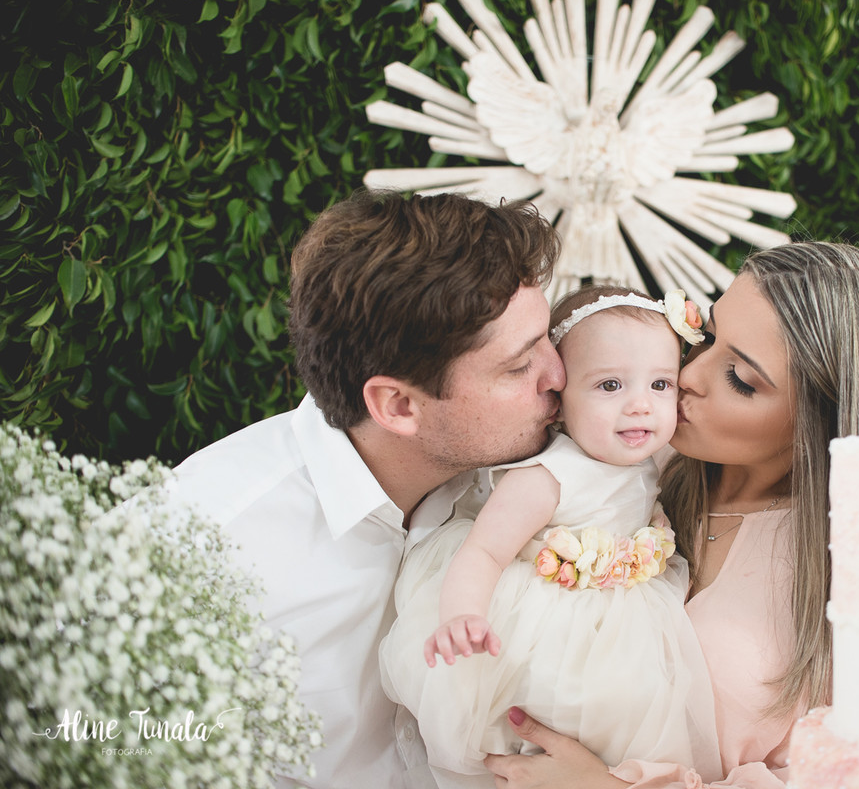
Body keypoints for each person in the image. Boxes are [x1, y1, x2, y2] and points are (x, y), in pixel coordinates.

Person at [482, 241, 859, 788]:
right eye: (702, 335)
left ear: (826, 421)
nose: (690, 374)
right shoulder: (626, 456)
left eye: (741, 380)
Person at [164, 190, 566, 789]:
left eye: (546, 338)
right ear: (398, 405)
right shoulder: (199, 558)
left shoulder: (522, 476)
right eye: (517, 367)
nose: (559, 376)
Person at [380, 285, 722, 788]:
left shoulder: (654, 460)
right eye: (610, 386)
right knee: (528, 722)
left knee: (626, 725)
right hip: (539, 624)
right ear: (559, 402)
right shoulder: (548, 476)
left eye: (660, 385)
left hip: (624, 624)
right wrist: (462, 616)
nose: (639, 406)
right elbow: (485, 551)